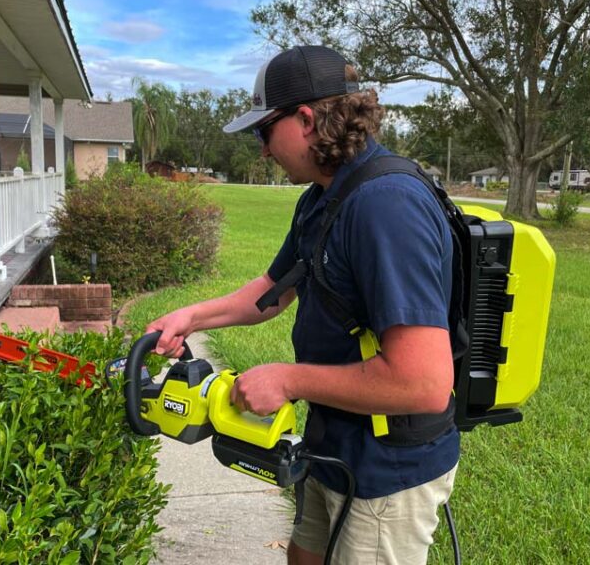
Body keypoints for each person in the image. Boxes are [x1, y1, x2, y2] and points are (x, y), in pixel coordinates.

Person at [146, 45, 459, 565]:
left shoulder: (386, 206)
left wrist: (289, 380)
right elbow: (274, 288)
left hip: (386, 468)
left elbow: (423, 384)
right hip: (334, 442)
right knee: (305, 555)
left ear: (307, 119)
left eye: (262, 132)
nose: (263, 150)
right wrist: (191, 316)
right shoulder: (323, 194)